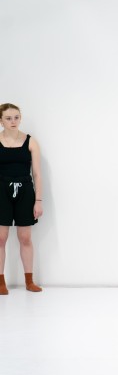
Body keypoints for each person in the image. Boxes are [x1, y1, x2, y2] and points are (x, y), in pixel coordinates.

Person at [0, 103, 44, 295]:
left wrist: (39, 200)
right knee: (0, 238)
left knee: (25, 237)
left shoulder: (30, 141)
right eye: (8, 118)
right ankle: (1, 282)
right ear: (1, 120)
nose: (13, 121)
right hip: (1, 190)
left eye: (16, 117)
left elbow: (37, 173)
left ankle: (29, 280)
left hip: (25, 190)